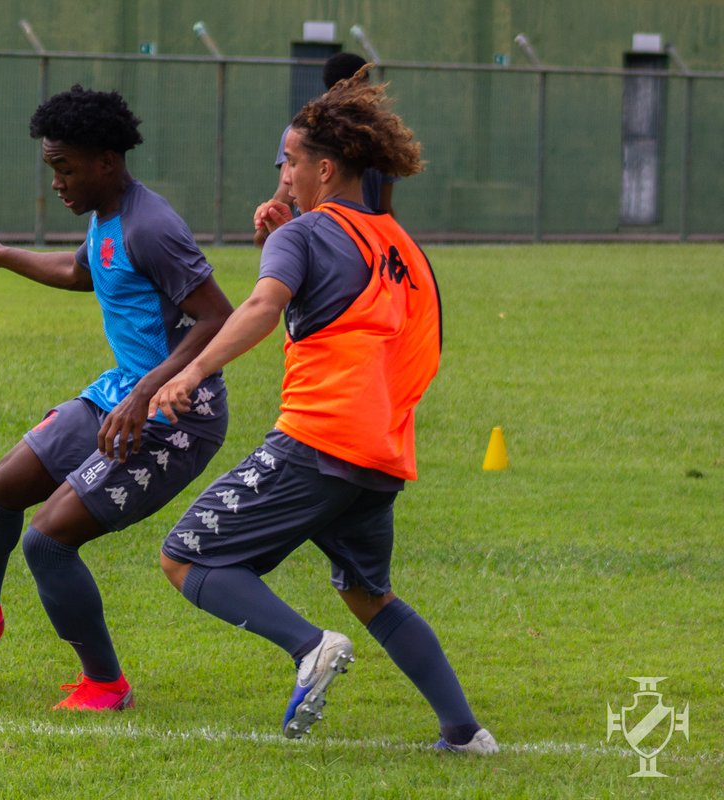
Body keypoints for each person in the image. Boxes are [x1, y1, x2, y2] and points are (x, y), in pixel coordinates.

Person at [149, 68, 498, 753]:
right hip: (382, 451)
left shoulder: (305, 235)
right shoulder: (403, 246)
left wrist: (191, 369)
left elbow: (263, 305)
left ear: (325, 168)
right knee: (369, 595)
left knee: (186, 557)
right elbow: (371, 324)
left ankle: (309, 648)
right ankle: (464, 733)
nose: (284, 175)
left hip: (319, 439)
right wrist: (282, 240)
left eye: (289, 161)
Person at [0, 85, 233, 712]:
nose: (56, 182)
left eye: (64, 168)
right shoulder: (108, 216)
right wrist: (0, 254)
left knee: (47, 540)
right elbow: (81, 271)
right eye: (52, 167)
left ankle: (105, 684)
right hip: (122, 391)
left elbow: (218, 316)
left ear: (106, 160)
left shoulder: (152, 226)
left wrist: (147, 393)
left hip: (177, 413)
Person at [253, 52, 399, 247]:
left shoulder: (302, 130)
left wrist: (264, 230)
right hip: (363, 240)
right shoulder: (378, 135)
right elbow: (385, 208)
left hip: (322, 238)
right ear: (360, 85)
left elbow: (285, 192)